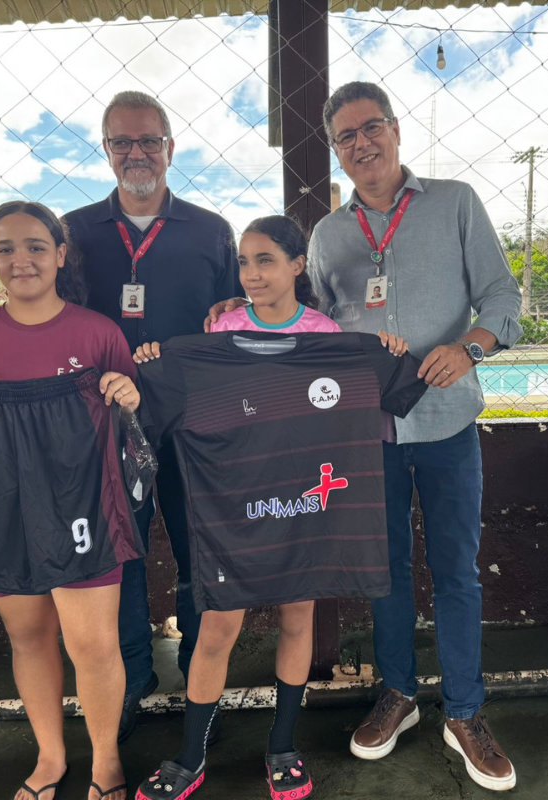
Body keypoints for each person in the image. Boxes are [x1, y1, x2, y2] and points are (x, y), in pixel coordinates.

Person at [207, 82, 523, 793]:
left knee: (456, 570)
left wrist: (469, 348)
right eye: (345, 136)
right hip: (361, 431)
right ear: (336, 150)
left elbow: (504, 299)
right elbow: (307, 317)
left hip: (446, 422)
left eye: (370, 127)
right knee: (380, 569)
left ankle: (466, 710)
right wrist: (250, 300)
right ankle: (399, 693)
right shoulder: (327, 235)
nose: (360, 144)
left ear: (396, 129)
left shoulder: (456, 203)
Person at [133, 215, 410, 800]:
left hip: (305, 506)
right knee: (216, 628)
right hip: (234, 507)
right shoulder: (218, 332)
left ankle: (283, 744)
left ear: (297, 265)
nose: (253, 274)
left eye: (266, 260)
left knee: (297, 618)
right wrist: (158, 360)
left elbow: (379, 396)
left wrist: (381, 352)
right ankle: (190, 755)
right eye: (244, 262)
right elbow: (177, 399)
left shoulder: (328, 337)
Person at [0, 202, 141, 800]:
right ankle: (49, 757)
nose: (22, 260)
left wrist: (128, 395)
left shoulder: (99, 333)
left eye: (36, 246)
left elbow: (133, 429)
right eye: (7, 248)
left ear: (60, 255)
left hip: (84, 505)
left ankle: (107, 762)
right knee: (31, 636)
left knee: (92, 643)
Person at [63, 91, 242, 743]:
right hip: (109, 424)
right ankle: (132, 680)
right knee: (123, 556)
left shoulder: (210, 229)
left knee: (202, 553)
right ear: (106, 150)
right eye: (121, 142)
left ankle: (203, 684)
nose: (136, 153)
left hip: (195, 422)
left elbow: (231, 322)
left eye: (149, 141)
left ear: (171, 146)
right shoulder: (74, 231)